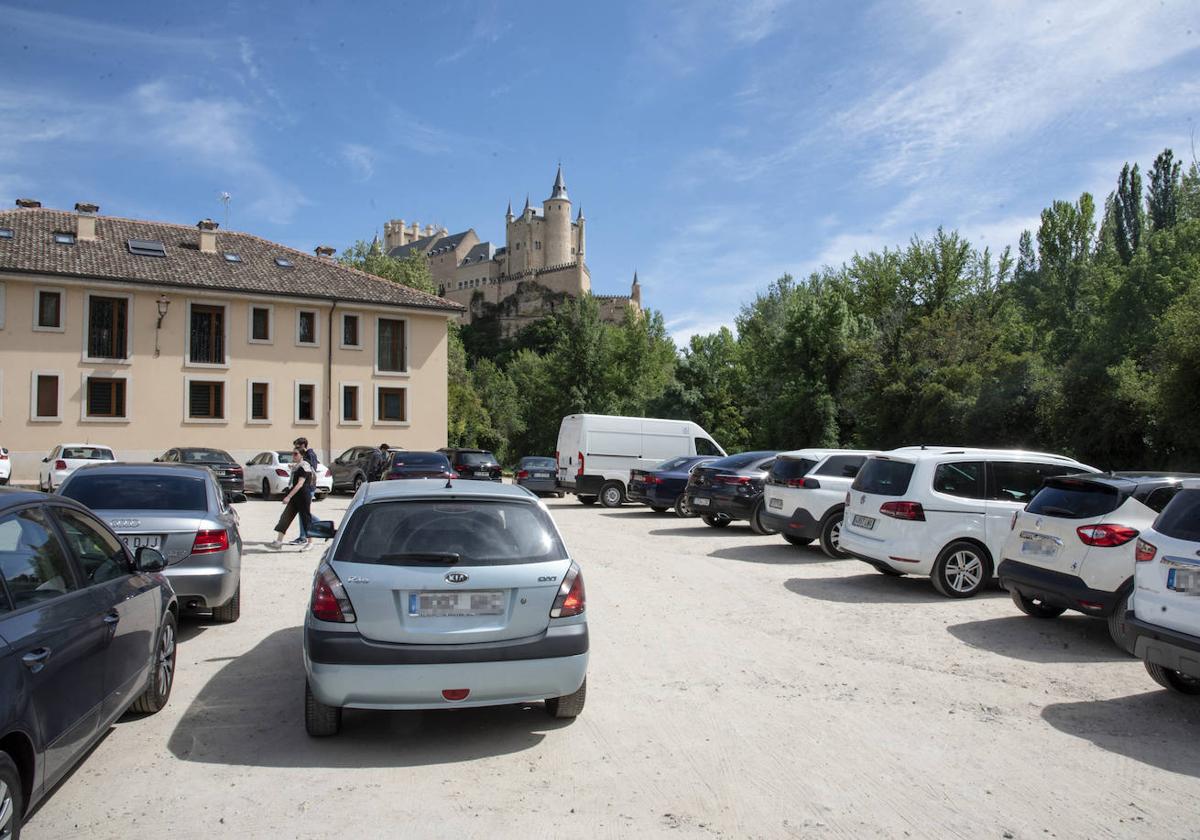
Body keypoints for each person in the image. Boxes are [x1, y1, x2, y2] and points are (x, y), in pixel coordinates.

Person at [267, 449, 314, 550]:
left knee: (306, 518)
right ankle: (279, 542)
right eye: (293, 453)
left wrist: (288, 496)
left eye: (296, 454)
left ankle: (310, 542)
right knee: (286, 517)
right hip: (295, 496)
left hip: (302, 496)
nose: (294, 455)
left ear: (302, 455)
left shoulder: (304, 467)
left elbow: (300, 484)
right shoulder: (297, 466)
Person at [289, 437, 320, 545]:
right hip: (305, 488)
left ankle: (305, 536)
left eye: (297, 446)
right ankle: (306, 534)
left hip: (307, 488)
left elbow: (310, 469)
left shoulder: (309, 455)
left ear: (303, 445)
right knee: (304, 512)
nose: (295, 449)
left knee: (304, 513)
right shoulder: (307, 455)